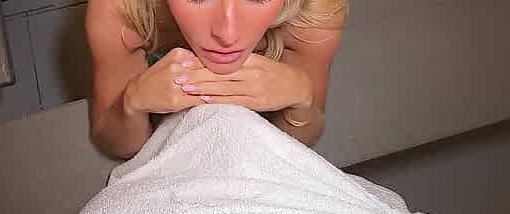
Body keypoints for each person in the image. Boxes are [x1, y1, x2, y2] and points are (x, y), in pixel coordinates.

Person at [85, 0, 348, 159]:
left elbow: (304, 138)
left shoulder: (315, 8)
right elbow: (115, 143)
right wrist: (132, 102)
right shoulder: (120, 7)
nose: (227, 34)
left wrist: (301, 98)